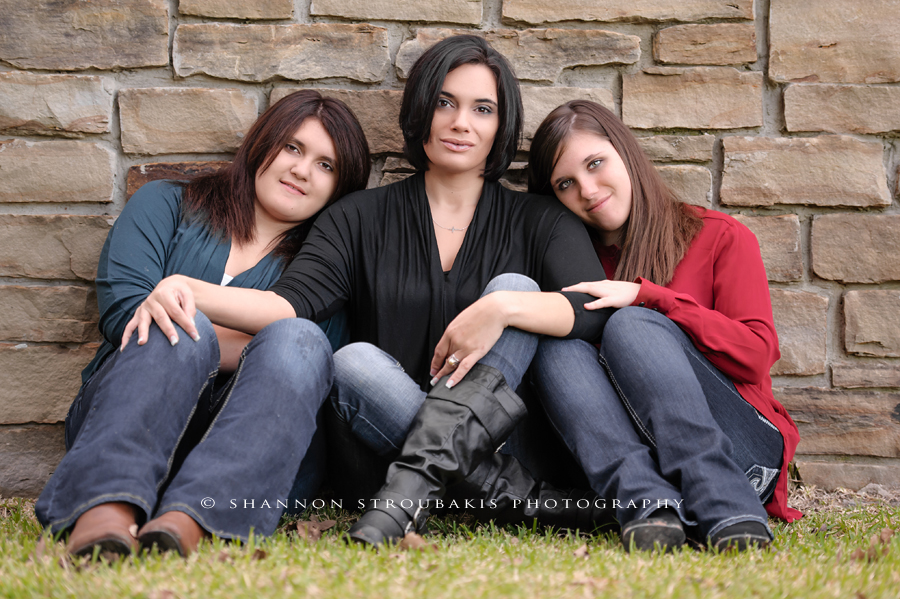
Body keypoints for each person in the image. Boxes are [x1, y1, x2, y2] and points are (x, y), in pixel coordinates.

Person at [122, 35, 617, 549]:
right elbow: (289, 307)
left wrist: (504, 306)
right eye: (445, 102)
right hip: (380, 451)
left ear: (501, 125)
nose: (460, 122)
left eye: (482, 109)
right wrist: (184, 288)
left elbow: (593, 309)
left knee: (516, 287)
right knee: (352, 361)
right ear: (421, 109)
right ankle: (505, 495)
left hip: (503, 443)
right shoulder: (356, 216)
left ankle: (428, 489)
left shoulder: (540, 220)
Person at [34, 90, 371, 558]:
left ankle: (190, 522)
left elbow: (310, 360)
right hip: (128, 416)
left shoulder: (327, 267)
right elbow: (124, 312)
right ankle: (103, 511)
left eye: (326, 165)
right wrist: (236, 339)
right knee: (172, 329)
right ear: (263, 143)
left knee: (295, 338)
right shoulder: (167, 205)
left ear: (340, 187)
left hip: (252, 447)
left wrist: (190, 318)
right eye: (292, 147)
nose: (301, 170)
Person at [526, 100, 802, 552]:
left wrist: (650, 296)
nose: (589, 190)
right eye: (566, 183)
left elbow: (755, 355)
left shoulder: (719, 236)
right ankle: (649, 508)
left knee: (633, 325)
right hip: (636, 477)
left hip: (741, 458)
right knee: (557, 345)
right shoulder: (570, 262)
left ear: (626, 153)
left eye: (596, 164)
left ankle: (725, 502)